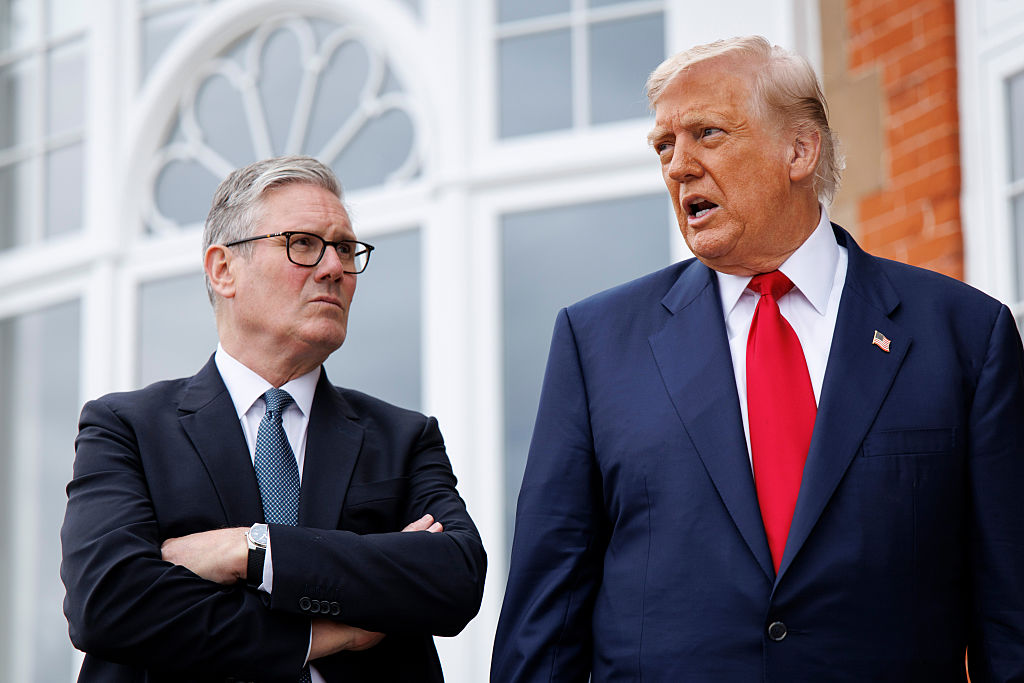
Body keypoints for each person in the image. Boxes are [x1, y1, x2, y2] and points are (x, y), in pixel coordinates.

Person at [491, 36, 1024, 681]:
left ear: (799, 150)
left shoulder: (965, 335)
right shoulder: (595, 343)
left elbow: (1011, 619)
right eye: (664, 146)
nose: (678, 166)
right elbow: (545, 622)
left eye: (707, 134)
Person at [61, 155, 486, 683]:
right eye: (302, 244)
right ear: (223, 269)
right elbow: (107, 602)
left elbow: (454, 577)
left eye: (345, 249)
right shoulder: (127, 427)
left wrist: (249, 550)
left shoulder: (402, 437)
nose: (334, 268)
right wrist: (324, 634)